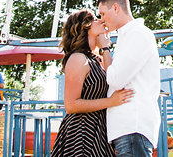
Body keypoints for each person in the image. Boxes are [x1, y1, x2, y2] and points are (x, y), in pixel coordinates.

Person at [51, 9, 135, 157]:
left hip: (99, 131)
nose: (101, 21)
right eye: (96, 19)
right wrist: (110, 102)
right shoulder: (78, 59)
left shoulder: (97, 60)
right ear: (85, 27)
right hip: (81, 133)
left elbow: (113, 78)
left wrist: (105, 49)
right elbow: (70, 105)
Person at [96, 0, 161, 157]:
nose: (102, 20)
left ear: (116, 8)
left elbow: (116, 79)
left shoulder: (137, 34)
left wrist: (104, 49)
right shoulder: (128, 36)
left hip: (133, 125)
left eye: (103, 13)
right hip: (127, 128)